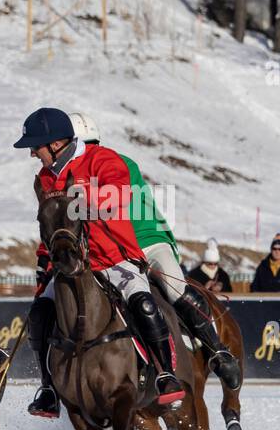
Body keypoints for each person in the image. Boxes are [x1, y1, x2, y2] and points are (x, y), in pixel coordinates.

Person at [14, 107, 183, 418]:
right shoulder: (43, 179)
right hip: (72, 266)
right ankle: (48, 388)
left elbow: (118, 197)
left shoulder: (104, 160)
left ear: (54, 144)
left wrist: (76, 202)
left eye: (35, 147)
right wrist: (45, 262)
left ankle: (164, 374)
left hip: (115, 258)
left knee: (144, 303)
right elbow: (51, 227)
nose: (33, 155)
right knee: (39, 312)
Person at [69, 112, 240, 390]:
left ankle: (218, 350)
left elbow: (108, 206)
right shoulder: (71, 174)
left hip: (147, 241)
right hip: (110, 252)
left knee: (173, 288)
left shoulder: (119, 163)